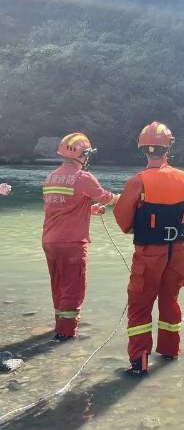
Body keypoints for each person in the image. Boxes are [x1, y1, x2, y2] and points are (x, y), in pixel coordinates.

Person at [113, 121, 184, 376]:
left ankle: (140, 363)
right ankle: (171, 352)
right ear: (168, 148)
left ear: (144, 150)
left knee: (140, 306)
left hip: (150, 253)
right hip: (178, 251)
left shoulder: (138, 181)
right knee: (170, 300)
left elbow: (123, 220)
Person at [42, 133, 119, 342]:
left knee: (58, 284)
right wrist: (124, 198)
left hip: (49, 241)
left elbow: (62, 207)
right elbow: (106, 197)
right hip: (72, 243)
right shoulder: (83, 177)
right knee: (73, 287)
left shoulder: (51, 177)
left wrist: (90, 211)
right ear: (83, 155)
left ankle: (59, 325)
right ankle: (66, 335)